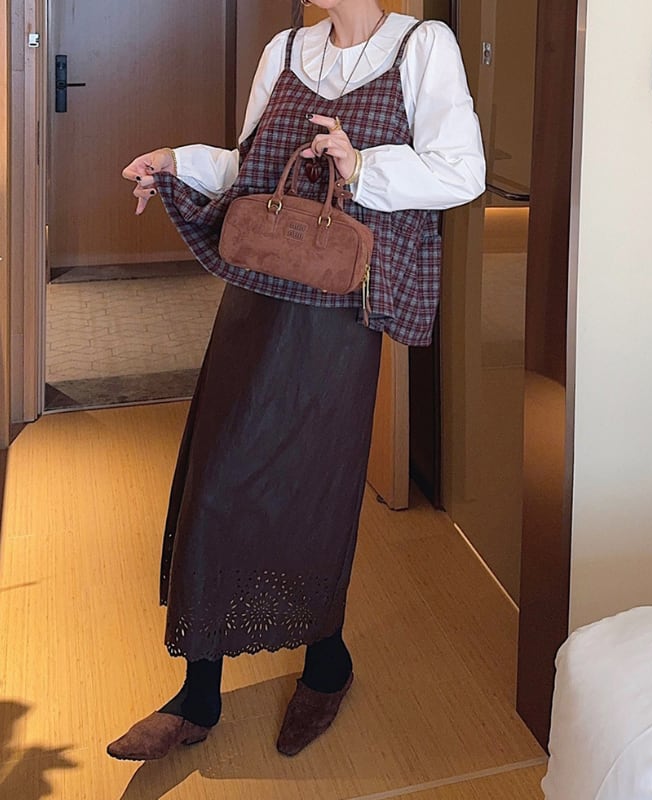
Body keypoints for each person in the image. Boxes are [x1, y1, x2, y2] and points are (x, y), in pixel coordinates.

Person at [107, 0, 485, 762]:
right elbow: (249, 168)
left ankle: (326, 662)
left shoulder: (422, 47)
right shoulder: (285, 50)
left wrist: (362, 167)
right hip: (256, 296)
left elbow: (463, 172)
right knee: (217, 478)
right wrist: (176, 160)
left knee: (315, 489)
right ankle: (199, 694)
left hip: (337, 317)